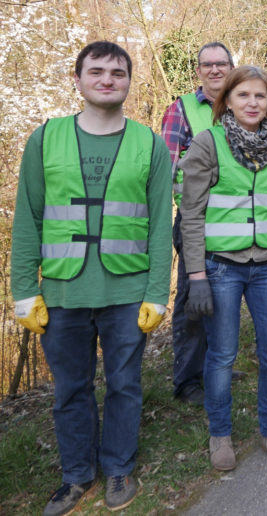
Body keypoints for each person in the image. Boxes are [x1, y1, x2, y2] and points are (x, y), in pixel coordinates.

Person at [11, 41, 172, 514]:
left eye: (117, 73)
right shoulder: (46, 138)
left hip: (127, 291)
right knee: (71, 389)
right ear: (77, 79)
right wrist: (24, 289)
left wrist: (157, 292)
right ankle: (77, 475)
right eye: (96, 71)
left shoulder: (150, 144)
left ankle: (119, 468)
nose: (107, 79)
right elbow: (28, 218)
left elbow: (161, 224)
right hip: (62, 292)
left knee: (124, 384)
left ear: (128, 81)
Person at [179, 66, 267, 470]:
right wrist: (195, 274)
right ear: (227, 100)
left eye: (260, 96)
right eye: (244, 95)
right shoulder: (208, 143)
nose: (253, 103)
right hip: (221, 269)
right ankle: (221, 436)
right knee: (222, 355)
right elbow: (191, 215)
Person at [161, 42, 234, 405]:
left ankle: (215, 364)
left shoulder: (242, 105)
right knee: (192, 300)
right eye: (208, 65)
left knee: (222, 295)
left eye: (222, 64)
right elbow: (168, 169)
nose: (215, 70)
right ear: (198, 71)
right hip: (196, 223)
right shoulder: (182, 110)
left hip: (235, 225)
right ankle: (188, 379)